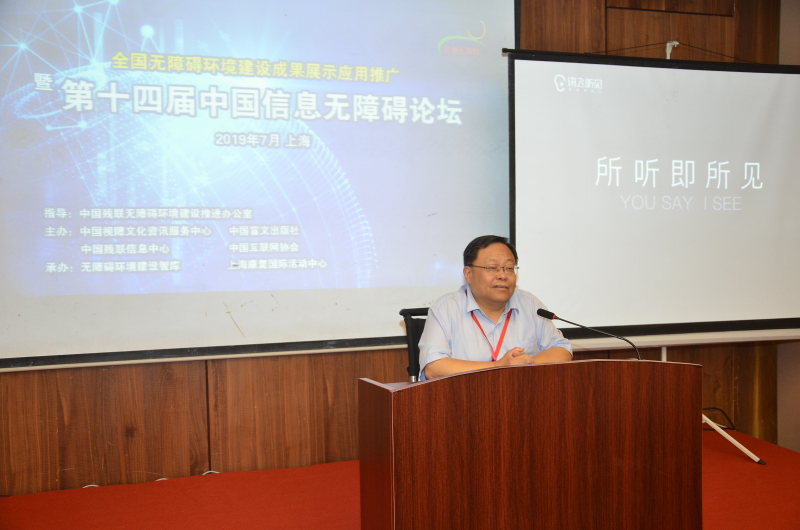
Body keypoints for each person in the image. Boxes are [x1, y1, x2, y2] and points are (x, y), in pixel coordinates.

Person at [419, 235, 572, 380]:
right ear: (468, 273)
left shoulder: (530, 305)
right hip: (466, 395)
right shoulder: (445, 309)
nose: (502, 275)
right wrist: (499, 367)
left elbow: (562, 349)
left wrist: (526, 364)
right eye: (492, 268)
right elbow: (433, 368)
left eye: (509, 268)